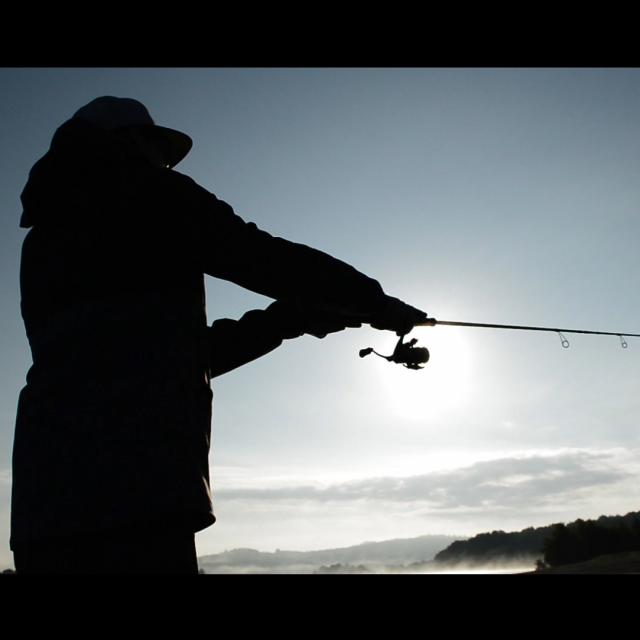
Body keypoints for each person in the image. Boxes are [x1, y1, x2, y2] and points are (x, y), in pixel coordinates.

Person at [10, 96, 427, 574]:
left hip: (45, 503)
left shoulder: (40, 244)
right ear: (127, 142)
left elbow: (154, 356)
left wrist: (287, 320)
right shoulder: (152, 194)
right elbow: (259, 255)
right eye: (158, 150)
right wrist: (373, 301)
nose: (164, 163)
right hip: (139, 492)